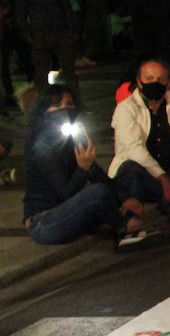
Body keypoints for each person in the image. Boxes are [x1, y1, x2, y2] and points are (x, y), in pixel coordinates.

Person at [23, 83, 138, 246]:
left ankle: (126, 222)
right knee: (98, 193)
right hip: (43, 222)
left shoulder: (70, 138)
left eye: (69, 104)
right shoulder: (42, 145)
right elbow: (65, 193)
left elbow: (97, 174)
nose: (64, 109)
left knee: (126, 175)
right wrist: (82, 169)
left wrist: (125, 198)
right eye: (57, 105)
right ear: (44, 112)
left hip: (66, 213)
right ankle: (125, 227)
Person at [109, 58, 170, 226]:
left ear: (167, 81)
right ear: (139, 82)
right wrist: (163, 179)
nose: (155, 83)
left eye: (161, 79)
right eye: (149, 79)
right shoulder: (126, 109)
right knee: (129, 168)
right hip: (146, 176)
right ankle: (134, 218)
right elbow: (134, 149)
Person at [15, 0, 79, 103]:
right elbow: (20, 12)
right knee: (42, 73)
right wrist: (27, 35)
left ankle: (76, 103)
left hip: (60, 31)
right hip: (39, 34)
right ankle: (45, 106)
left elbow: (66, 7)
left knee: (69, 71)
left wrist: (72, 30)